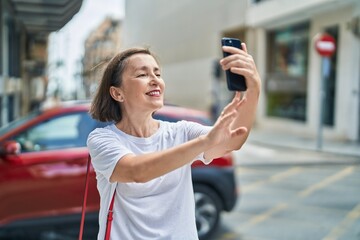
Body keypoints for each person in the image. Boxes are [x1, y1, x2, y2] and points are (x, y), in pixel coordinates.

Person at [87, 44, 261, 240]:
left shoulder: (181, 132)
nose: (155, 80)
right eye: (142, 75)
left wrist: (254, 89)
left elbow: (233, 140)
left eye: (158, 74)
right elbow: (137, 172)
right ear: (117, 93)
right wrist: (205, 141)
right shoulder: (102, 139)